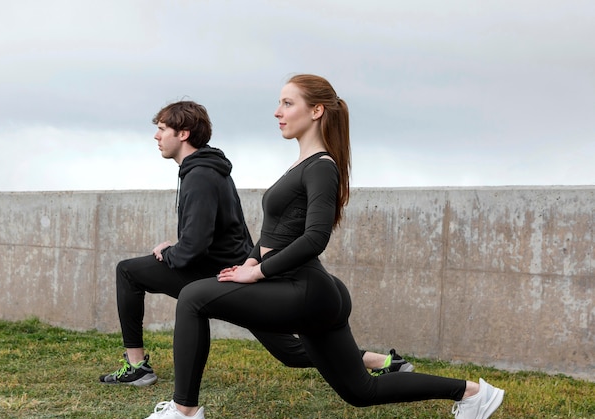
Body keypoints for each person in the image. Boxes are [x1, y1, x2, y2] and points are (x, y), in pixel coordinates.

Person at [126, 74, 505, 419]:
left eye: (288, 103)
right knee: (360, 392)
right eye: (279, 103)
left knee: (194, 297)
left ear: (317, 111)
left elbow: (315, 238)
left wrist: (258, 274)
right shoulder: (301, 165)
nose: (278, 111)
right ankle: (473, 393)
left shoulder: (322, 166)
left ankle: (185, 414)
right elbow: (275, 232)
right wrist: (250, 262)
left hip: (305, 287)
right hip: (315, 293)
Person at [99, 100, 412, 387]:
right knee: (288, 351)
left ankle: (139, 369)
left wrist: (170, 253)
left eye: (162, 129)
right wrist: (176, 248)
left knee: (130, 273)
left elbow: (195, 246)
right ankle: (384, 362)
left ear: (183, 134)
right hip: (230, 266)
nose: (156, 136)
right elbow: (205, 234)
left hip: (224, 273)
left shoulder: (201, 176)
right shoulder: (205, 170)